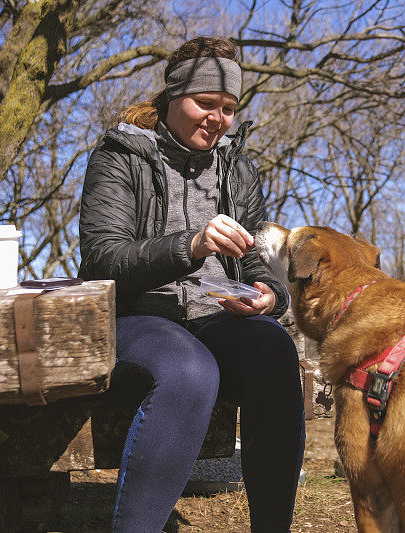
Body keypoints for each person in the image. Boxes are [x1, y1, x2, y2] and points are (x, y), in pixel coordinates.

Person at [78, 36, 305, 532]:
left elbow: (254, 263)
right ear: (173, 95)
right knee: (189, 370)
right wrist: (191, 245)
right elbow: (103, 260)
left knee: (275, 350)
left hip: (214, 314)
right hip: (138, 316)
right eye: (206, 103)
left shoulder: (237, 170)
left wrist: (269, 295)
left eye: (227, 108)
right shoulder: (121, 156)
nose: (217, 118)